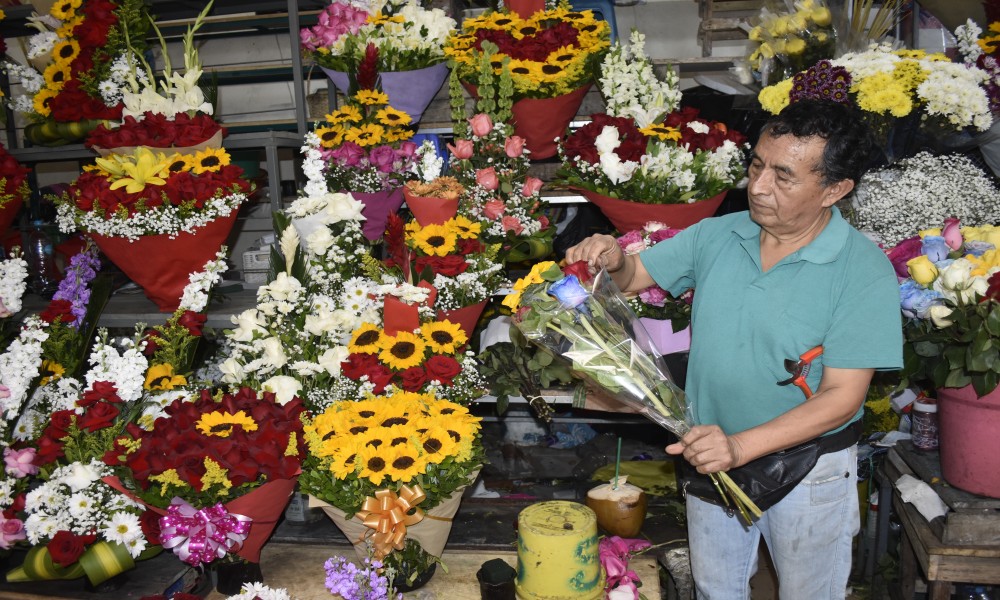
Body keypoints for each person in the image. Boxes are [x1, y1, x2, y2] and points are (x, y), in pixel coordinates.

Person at [566, 98, 903, 599]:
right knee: (714, 589)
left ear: (835, 189)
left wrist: (740, 447)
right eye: (756, 166)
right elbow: (635, 275)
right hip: (710, 452)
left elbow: (842, 397)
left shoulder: (862, 271)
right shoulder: (720, 234)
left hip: (807, 469)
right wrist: (612, 258)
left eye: (783, 176)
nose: (759, 187)